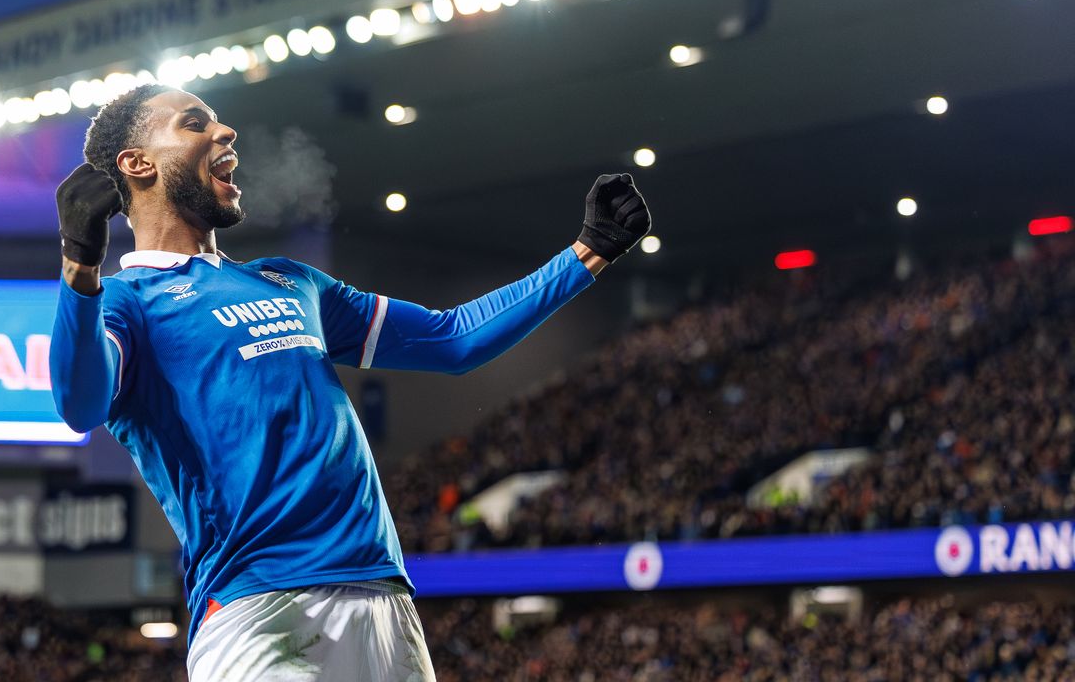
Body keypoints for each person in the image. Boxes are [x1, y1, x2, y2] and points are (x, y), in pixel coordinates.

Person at [49, 83, 651, 681]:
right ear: (138, 164)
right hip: (260, 609)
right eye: (194, 123)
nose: (224, 132)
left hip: (384, 601)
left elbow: (451, 340)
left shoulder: (290, 281)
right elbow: (80, 403)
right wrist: (80, 271)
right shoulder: (124, 301)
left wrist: (588, 251)